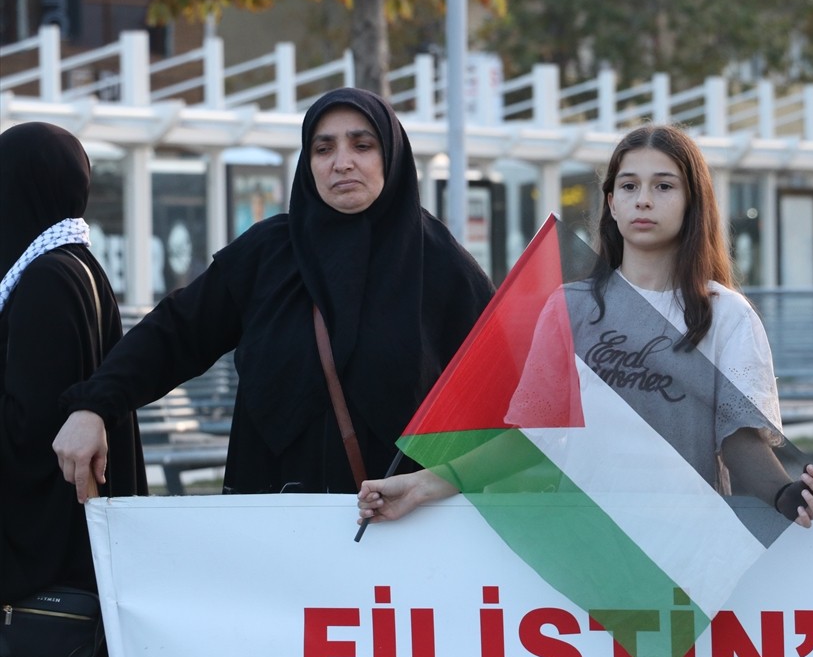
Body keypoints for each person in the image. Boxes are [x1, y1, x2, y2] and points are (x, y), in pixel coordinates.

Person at [358, 124, 813, 526]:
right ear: (611, 202)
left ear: (693, 201)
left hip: (688, 546)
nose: (643, 200)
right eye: (629, 186)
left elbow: (740, 441)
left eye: (664, 186)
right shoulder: (571, 307)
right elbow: (533, 440)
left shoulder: (727, 315)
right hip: (588, 544)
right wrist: (420, 485)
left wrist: (787, 494)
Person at [53, 88, 494, 497]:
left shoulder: (443, 267)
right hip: (271, 516)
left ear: (391, 156)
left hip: (401, 524)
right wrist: (93, 406)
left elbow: (504, 399)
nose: (342, 163)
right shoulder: (270, 254)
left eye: (362, 145)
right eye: (323, 149)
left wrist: (439, 483)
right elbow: (176, 333)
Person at [0, 122, 147, 657]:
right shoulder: (75, 266)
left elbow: (32, 425)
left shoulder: (46, 280)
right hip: (77, 537)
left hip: (49, 553)